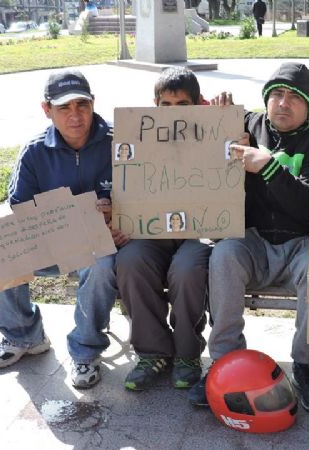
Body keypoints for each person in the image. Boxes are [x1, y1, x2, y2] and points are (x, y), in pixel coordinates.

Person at [189, 62, 309, 413]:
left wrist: (269, 167)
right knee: (224, 255)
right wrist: (216, 116)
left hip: (300, 244)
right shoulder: (248, 124)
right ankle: (223, 362)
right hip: (252, 239)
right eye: (277, 94)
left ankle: (307, 367)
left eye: (294, 98)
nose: (283, 103)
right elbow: (197, 142)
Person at [0, 70, 126, 390]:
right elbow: (16, 212)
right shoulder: (34, 152)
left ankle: (86, 349)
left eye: (82, 104)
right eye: (64, 107)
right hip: (51, 244)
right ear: (46, 110)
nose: (75, 115)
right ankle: (23, 336)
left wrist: (121, 213)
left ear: (93, 104)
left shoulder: (121, 142)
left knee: (101, 261)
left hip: (105, 244)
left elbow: (148, 194)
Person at [116, 67, 230, 392]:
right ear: (155, 105)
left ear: (197, 103)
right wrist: (121, 215)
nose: (173, 112)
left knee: (187, 268)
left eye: (183, 105)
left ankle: (186, 354)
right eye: (166, 105)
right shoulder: (139, 133)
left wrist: (225, 122)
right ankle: (153, 353)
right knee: (130, 261)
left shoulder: (215, 130)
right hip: (153, 229)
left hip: (199, 230)